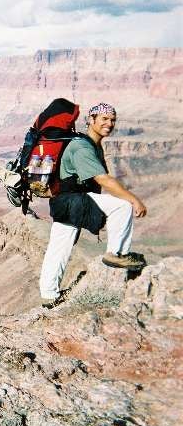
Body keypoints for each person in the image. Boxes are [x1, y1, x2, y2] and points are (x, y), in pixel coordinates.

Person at [39, 102, 147, 308]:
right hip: (72, 200)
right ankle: (117, 254)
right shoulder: (82, 147)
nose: (110, 123)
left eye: (113, 120)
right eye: (104, 119)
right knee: (122, 207)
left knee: (59, 248)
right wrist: (133, 199)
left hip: (67, 202)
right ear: (91, 120)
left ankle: (49, 296)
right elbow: (103, 179)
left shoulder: (93, 145)